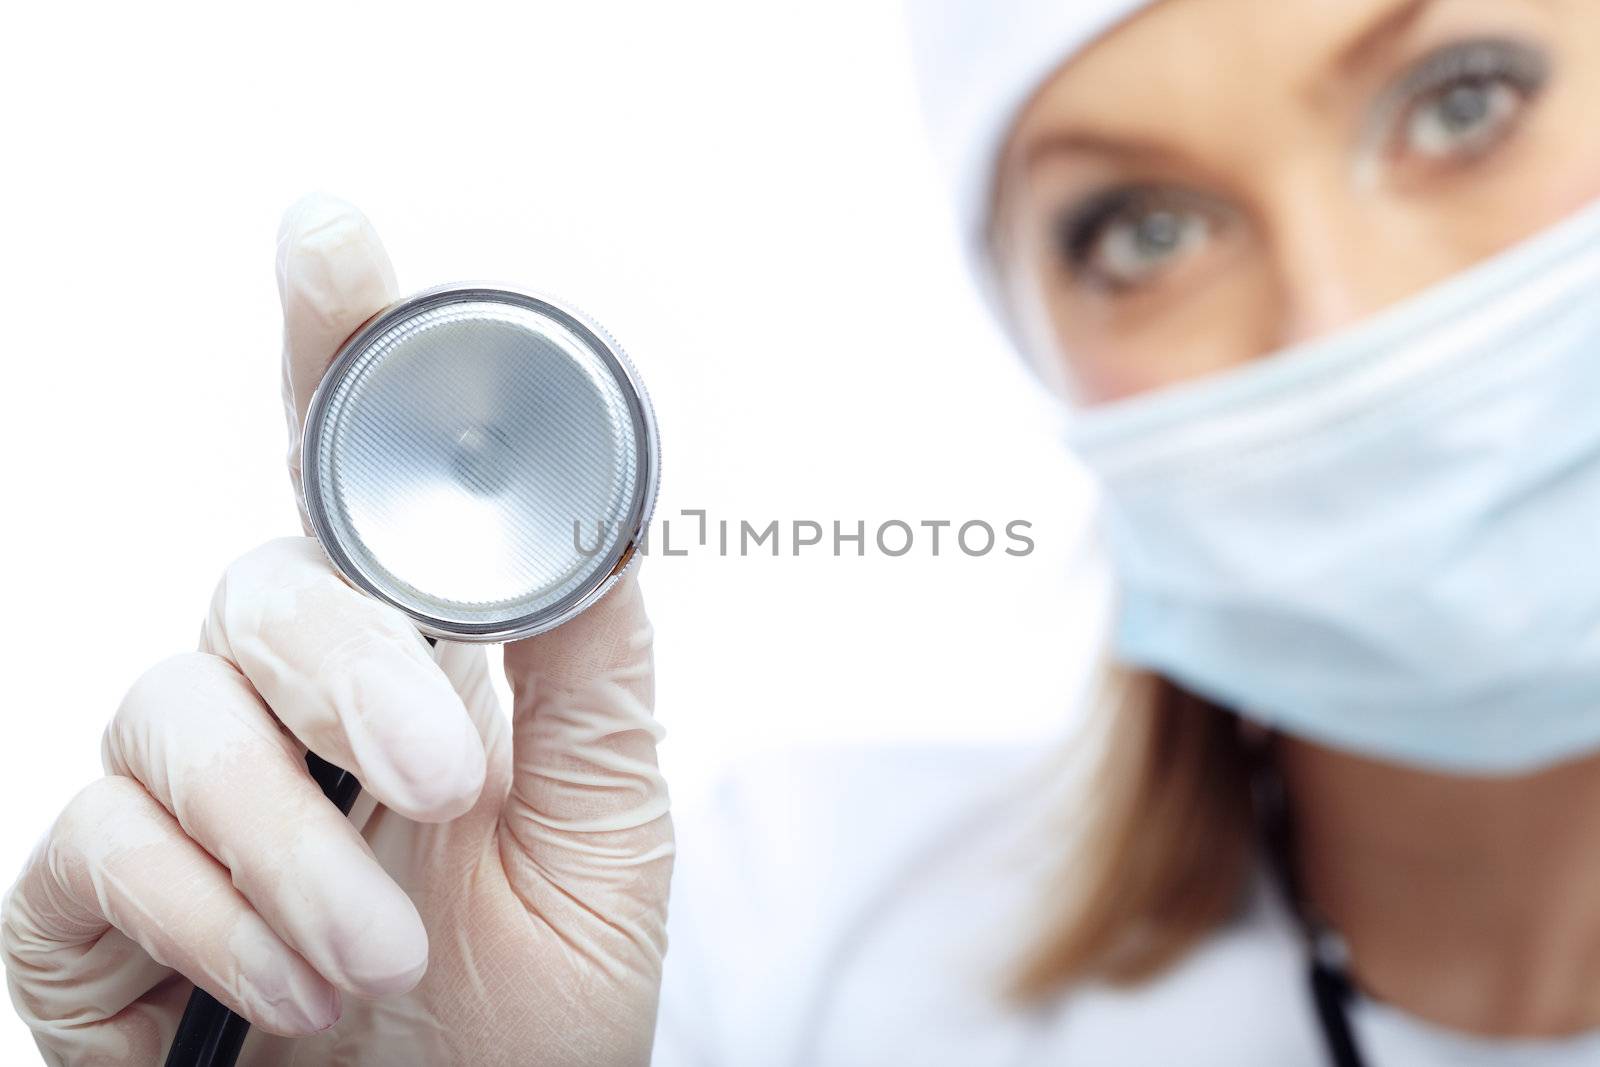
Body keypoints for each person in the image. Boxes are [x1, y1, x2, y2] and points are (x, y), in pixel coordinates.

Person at [7, 0, 1600, 1064]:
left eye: (1464, 100)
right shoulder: (772, 955)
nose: (1336, 318)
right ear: (1036, 345)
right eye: (1144, 228)